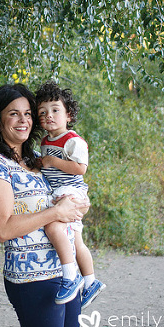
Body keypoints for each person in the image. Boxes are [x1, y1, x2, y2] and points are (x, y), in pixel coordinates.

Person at [0, 84, 90, 327]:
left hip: (67, 274)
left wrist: (79, 205)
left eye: (28, 113)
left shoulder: (39, 159)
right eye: (13, 113)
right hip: (33, 278)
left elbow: (72, 193)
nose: (23, 120)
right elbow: (3, 230)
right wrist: (56, 212)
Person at [36, 80, 105, 308]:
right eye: (43, 112)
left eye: (55, 110)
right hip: (59, 191)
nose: (49, 115)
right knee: (76, 241)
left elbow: (80, 168)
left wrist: (52, 161)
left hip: (70, 191)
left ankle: (70, 277)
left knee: (53, 227)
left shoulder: (72, 140)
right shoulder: (46, 140)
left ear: (69, 115)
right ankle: (91, 281)